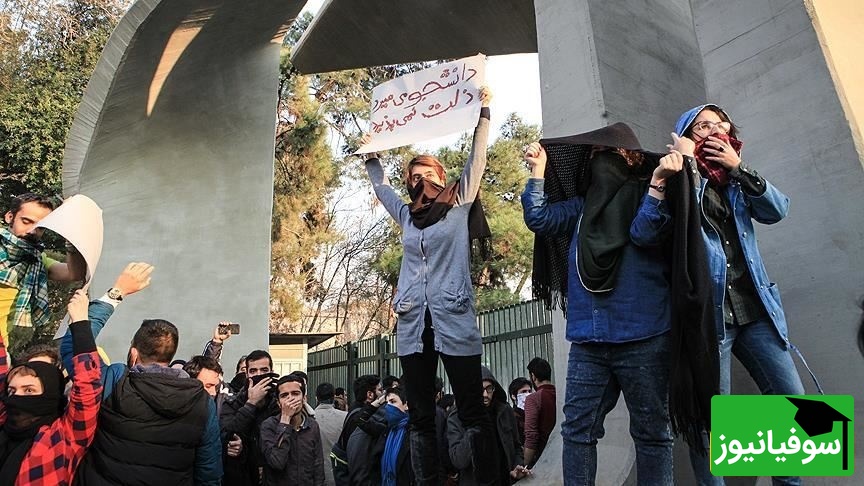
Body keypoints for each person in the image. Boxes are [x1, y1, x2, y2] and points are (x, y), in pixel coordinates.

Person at [521, 123, 680, 485]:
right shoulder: (581, 206)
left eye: (610, 154)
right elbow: (540, 218)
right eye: (594, 155)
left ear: (631, 158)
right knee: (577, 431)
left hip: (643, 335)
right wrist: (538, 171)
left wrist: (657, 184)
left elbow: (645, 232)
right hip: (589, 340)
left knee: (652, 433)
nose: (601, 160)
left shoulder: (648, 194)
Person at [361, 86, 495, 485]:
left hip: (453, 316)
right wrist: (372, 157)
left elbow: (477, 158)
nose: (421, 182)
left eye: (428, 175)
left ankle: (487, 481)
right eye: (414, 178)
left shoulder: (459, 203)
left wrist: (484, 111)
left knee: (472, 411)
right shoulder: (406, 215)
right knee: (419, 415)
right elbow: (382, 188)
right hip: (413, 325)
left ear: (442, 177)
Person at [673, 104, 807, 486]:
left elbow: (778, 210)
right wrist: (686, 171)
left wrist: (738, 168)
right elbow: (659, 231)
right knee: (713, 420)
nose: (715, 131)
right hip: (710, 318)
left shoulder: (736, 179)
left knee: (793, 406)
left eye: (721, 124)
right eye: (703, 126)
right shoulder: (678, 179)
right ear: (687, 136)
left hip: (756, 310)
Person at [70, 317, 222, 485]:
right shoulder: (201, 402)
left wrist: (100, 306)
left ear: (134, 353)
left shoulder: (116, 379)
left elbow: (74, 349)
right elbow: (209, 470)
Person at [0, 290, 98, 485]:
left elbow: (88, 385)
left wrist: (80, 321)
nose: (17, 398)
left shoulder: (64, 437)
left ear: (52, 393)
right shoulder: (4, 421)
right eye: (12, 391)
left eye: (29, 390)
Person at [1, 193, 86, 348]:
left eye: (40, 227)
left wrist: (71, 233)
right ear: (9, 217)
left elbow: (74, 274)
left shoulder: (37, 260)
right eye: (26, 221)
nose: (32, 231)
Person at [447, 366, 528, 485]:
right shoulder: (456, 418)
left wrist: (516, 467)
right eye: (480, 389)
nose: (485, 394)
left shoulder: (504, 412)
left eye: (489, 389)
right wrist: (474, 425)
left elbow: (516, 447)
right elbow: (458, 460)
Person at [220, 350, 279, 486]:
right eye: (253, 371)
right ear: (246, 374)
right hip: (242, 476)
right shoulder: (232, 403)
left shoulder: (279, 404)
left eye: (264, 370)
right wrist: (251, 403)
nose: (259, 375)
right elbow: (228, 433)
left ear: (271, 371)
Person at [259, 374, 324, 485]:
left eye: (295, 393)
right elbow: (277, 462)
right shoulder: (268, 426)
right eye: (284, 395)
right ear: (278, 403)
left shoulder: (312, 426)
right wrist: (285, 420)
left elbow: (318, 466)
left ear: (304, 399)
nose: (290, 398)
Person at [331, 374, 384, 485]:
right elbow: (360, 460)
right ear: (370, 394)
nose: (383, 394)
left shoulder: (354, 410)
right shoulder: (362, 419)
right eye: (380, 390)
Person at [523, 357, 556, 466]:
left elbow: (531, 435)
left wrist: (524, 464)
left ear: (533, 376)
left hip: (542, 459)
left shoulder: (533, 399)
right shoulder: (560, 395)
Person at [314, 382, 347, 486]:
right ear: (333, 397)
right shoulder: (345, 418)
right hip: (339, 474)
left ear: (316, 398)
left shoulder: (309, 419)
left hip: (315, 476)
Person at [508, 377, 532, 446]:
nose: (528, 394)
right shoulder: (511, 417)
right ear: (513, 396)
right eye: (524, 392)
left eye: (529, 391)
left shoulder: (533, 414)